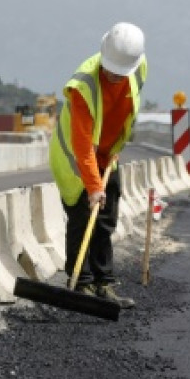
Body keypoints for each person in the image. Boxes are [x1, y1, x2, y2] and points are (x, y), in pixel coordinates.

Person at [48, 22, 148, 310]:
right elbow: (81, 146)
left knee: (106, 219)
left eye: (121, 73)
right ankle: (81, 282)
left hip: (107, 155)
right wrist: (93, 187)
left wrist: (113, 149)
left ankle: (104, 283)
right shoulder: (83, 86)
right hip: (74, 160)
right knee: (83, 218)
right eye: (111, 71)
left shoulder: (138, 66)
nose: (115, 77)